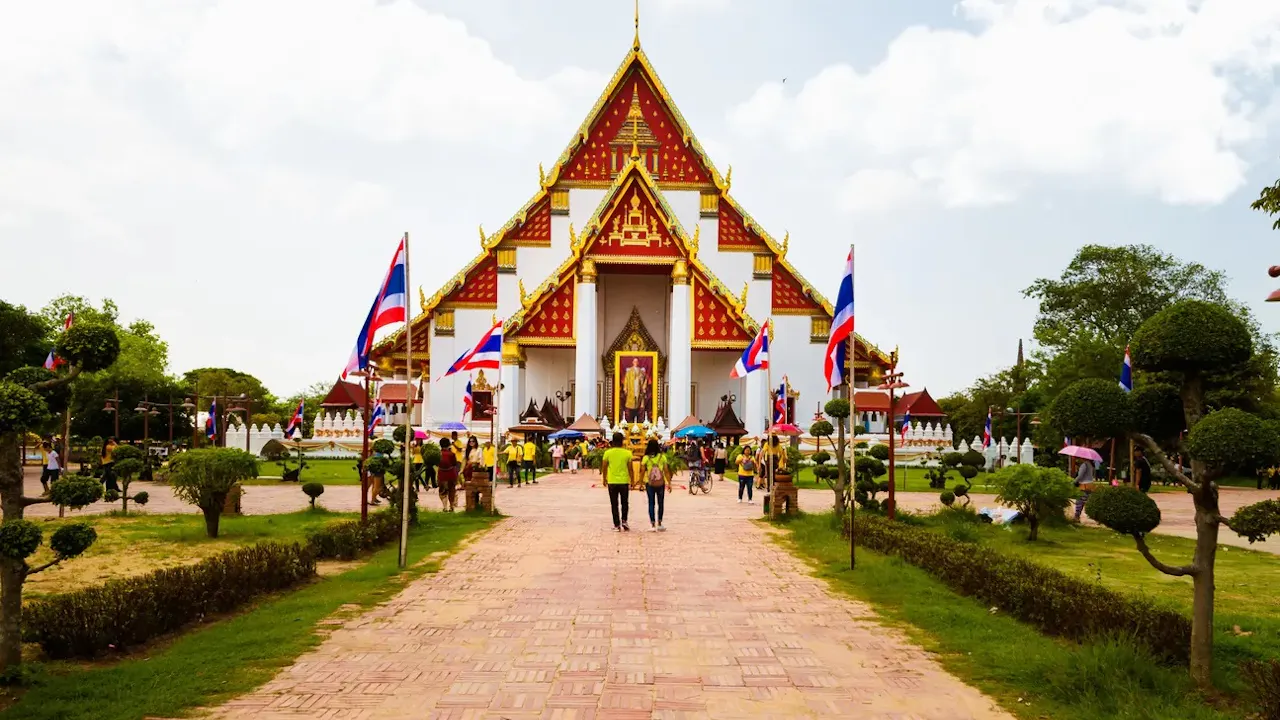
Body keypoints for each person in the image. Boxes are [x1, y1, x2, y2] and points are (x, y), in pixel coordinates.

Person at [601, 431, 633, 531]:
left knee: (614, 504)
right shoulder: (627, 453)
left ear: (613, 441)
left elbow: (604, 467)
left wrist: (604, 478)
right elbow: (630, 469)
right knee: (625, 502)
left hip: (612, 481)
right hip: (624, 481)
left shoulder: (607, 453)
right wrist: (632, 480)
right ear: (622, 441)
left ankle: (616, 525)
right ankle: (624, 520)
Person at [642, 439, 670, 530]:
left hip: (649, 482)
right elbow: (666, 471)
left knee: (651, 503)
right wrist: (669, 483)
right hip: (660, 482)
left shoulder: (646, 458)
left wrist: (640, 482)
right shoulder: (662, 457)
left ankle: (652, 524)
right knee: (660, 503)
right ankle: (660, 523)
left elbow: (642, 471)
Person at [622, 357, 650, 423]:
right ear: (632, 362)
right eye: (634, 361)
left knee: (640, 407)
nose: (635, 363)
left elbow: (645, 380)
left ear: (638, 362)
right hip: (631, 390)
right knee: (630, 408)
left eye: (636, 361)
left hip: (639, 390)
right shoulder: (629, 372)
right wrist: (625, 388)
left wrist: (644, 387)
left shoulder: (641, 371)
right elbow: (626, 380)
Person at [437, 438, 460, 512]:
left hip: (441, 475)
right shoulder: (452, 454)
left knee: (442, 491)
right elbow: (454, 464)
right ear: (448, 444)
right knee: (451, 490)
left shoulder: (438, 453)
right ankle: (451, 506)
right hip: (451, 474)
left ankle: (445, 507)